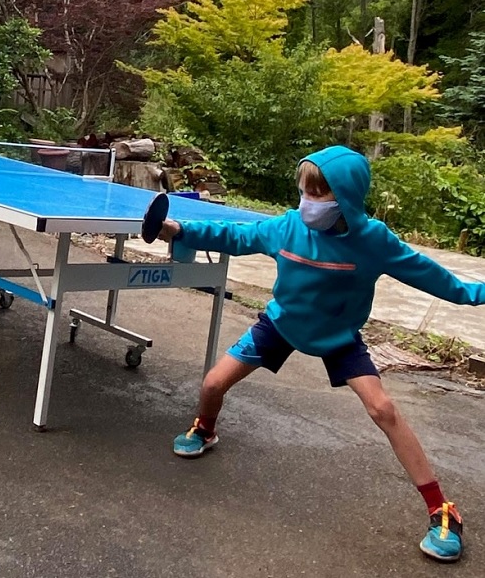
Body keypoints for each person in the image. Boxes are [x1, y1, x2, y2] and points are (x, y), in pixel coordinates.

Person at [144, 145, 480, 562]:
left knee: (384, 410)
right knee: (213, 383)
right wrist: (178, 229)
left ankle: (441, 510)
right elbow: (235, 235)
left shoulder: (374, 241)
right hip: (280, 325)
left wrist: (476, 294)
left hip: (338, 336)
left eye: (319, 193)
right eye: (304, 190)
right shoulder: (287, 227)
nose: (308, 201)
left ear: (346, 197)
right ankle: (205, 429)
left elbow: (434, 277)